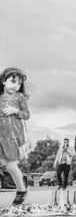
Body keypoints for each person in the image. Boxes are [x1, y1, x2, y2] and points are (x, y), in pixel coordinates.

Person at [0, 68, 30, 205]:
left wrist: (15, 110)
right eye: (12, 82)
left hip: (13, 137)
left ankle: (22, 190)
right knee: (4, 164)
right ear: (3, 81)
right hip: (0, 136)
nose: (15, 85)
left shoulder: (19, 97)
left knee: (11, 166)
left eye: (18, 84)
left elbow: (27, 115)